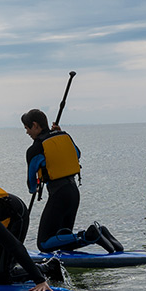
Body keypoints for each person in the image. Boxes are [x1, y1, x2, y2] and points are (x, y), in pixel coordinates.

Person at [22, 108, 121, 253]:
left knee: (43, 244)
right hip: (73, 192)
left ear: (35, 125)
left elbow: (31, 184)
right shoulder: (64, 136)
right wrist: (59, 136)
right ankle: (100, 232)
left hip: (59, 195)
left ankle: (89, 235)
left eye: (27, 128)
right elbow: (77, 154)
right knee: (64, 241)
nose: (27, 132)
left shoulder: (35, 149)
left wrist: (33, 189)